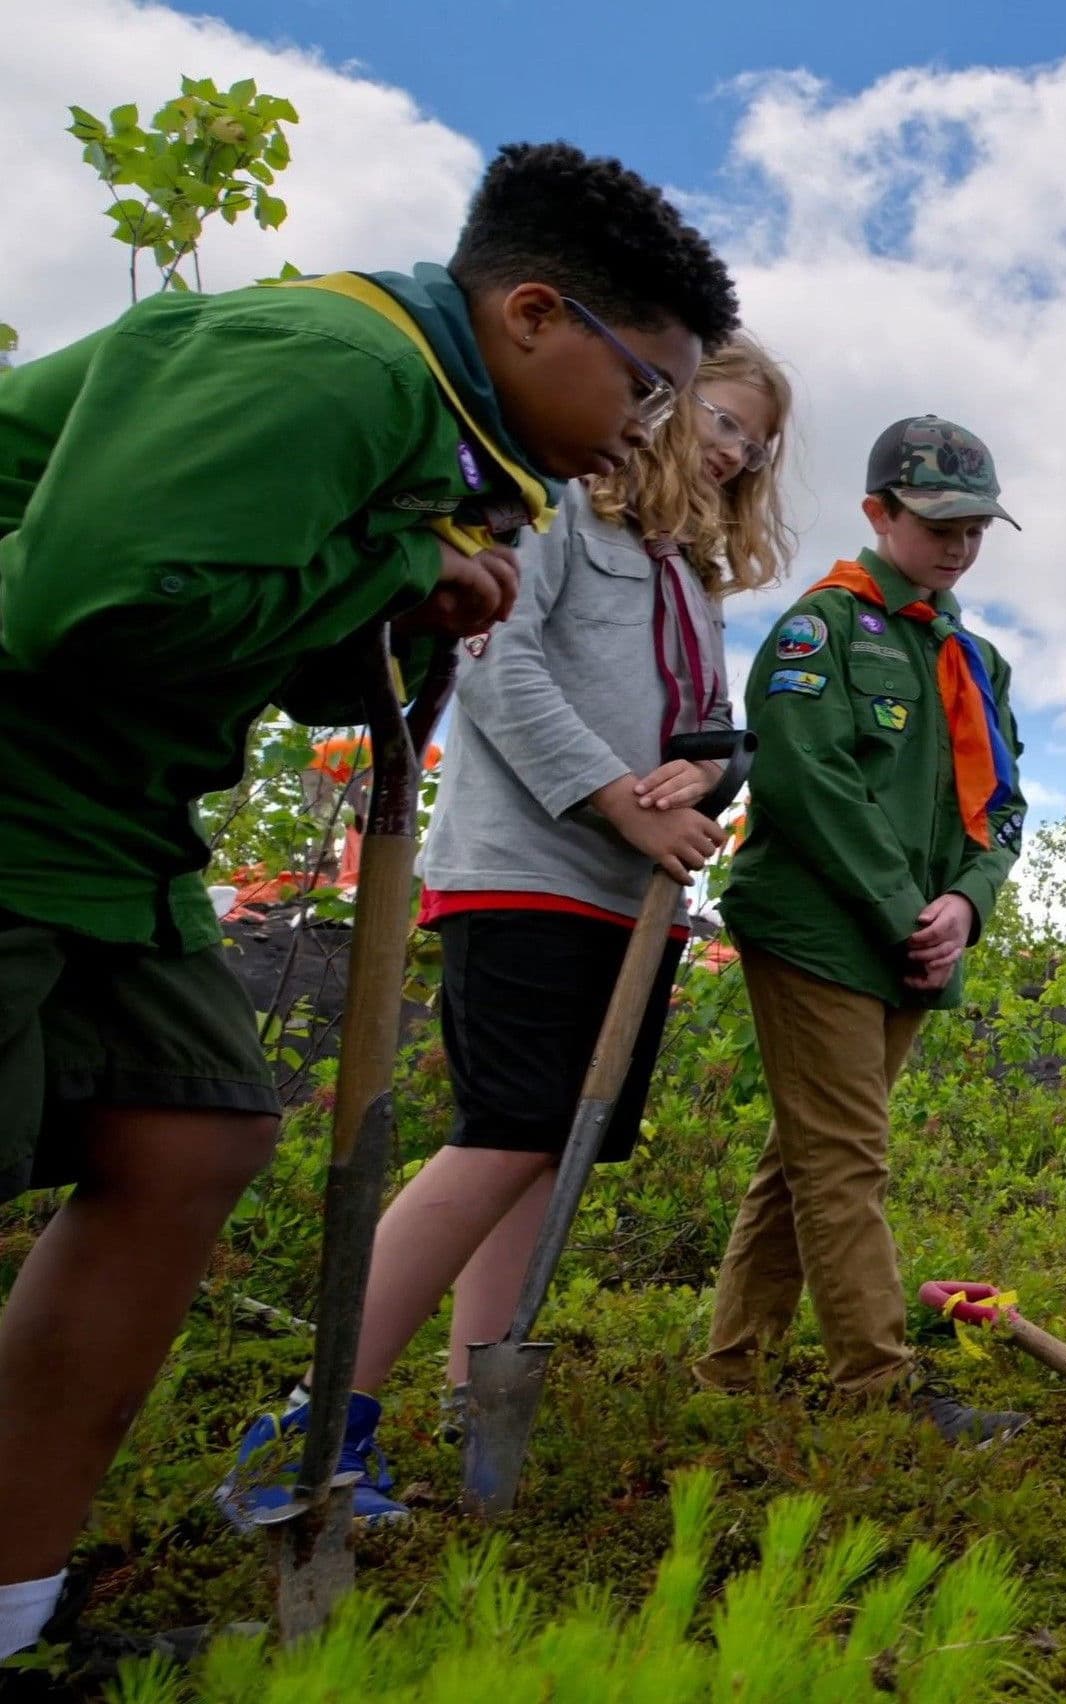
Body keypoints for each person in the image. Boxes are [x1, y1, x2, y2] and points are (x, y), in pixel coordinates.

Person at [0, 140, 736, 1657]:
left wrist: (412, 593)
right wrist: (402, 563)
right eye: (645, 382)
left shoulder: (453, 447)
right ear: (534, 314)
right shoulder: (330, 359)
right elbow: (96, 599)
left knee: (192, 1127)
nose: (650, 426)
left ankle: (12, 1606)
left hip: (111, 825)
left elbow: (286, 644)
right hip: (19, 785)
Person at [219, 339, 793, 1524]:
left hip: (631, 899)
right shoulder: (560, 518)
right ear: (666, 408)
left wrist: (703, 783)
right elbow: (497, 672)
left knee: (544, 1152)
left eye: (756, 439)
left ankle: (472, 1415)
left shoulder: (690, 579)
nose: (736, 450)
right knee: (503, 1133)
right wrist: (613, 803)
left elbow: (706, 731)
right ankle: (312, 1423)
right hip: (525, 870)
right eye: (723, 419)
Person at [692, 415, 1029, 1443]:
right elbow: (807, 782)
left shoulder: (976, 661)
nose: (959, 544)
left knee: (808, 1153)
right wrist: (904, 913)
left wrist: (966, 905)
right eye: (938, 524)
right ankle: (877, 1393)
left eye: (975, 526)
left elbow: (1004, 804)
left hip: (918, 941)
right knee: (846, 1157)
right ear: (879, 512)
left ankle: (732, 1368)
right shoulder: (821, 631)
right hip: (820, 929)